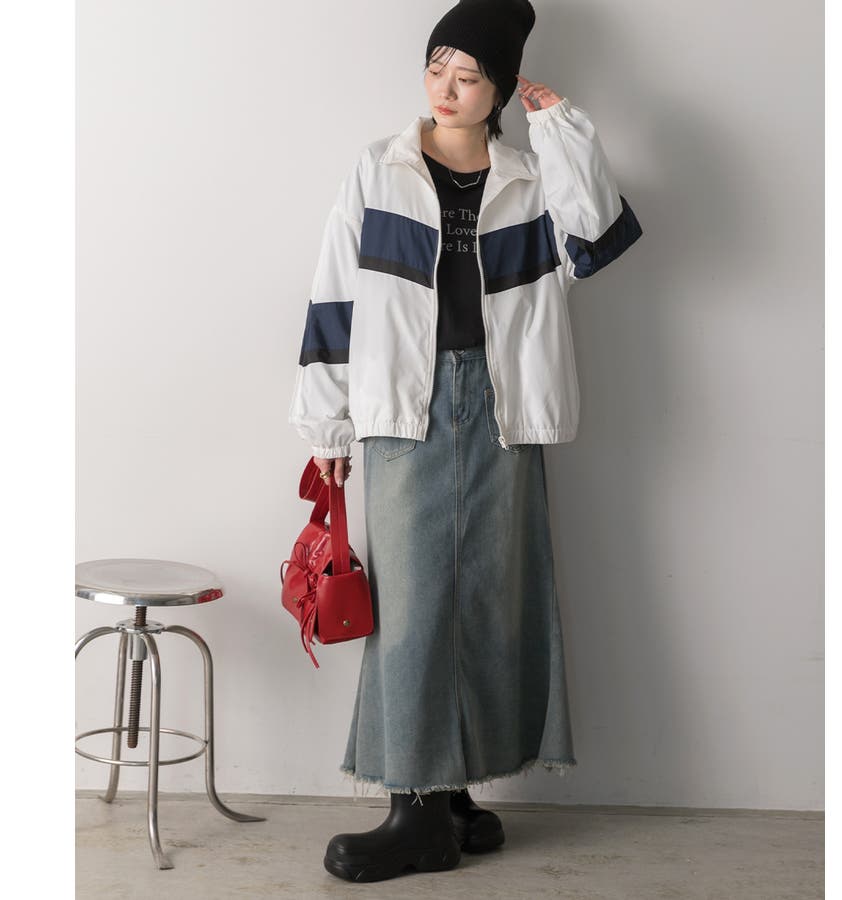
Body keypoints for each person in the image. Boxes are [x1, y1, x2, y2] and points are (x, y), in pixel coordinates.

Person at [287, 0, 642, 883]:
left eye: (469, 74)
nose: (446, 88)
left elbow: (596, 241)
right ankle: (415, 801)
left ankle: (450, 798)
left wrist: (562, 129)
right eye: (437, 67)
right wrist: (327, 421)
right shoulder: (378, 169)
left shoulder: (529, 176)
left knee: (490, 593)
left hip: (505, 405)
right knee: (413, 607)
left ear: (501, 90)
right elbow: (334, 296)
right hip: (403, 407)